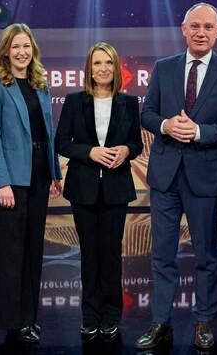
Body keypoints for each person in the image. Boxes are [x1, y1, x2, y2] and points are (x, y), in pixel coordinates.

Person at [135, 2, 217, 350]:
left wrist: (198, 131)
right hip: (165, 176)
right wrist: (166, 125)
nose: (200, 32)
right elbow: (147, 113)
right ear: (183, 29)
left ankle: (203, 321)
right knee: (162, 255)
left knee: (205, 255)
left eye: (207, 27)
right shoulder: (164, 67)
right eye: (194, 26)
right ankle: (160, 322)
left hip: (204, 177)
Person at [55, 42, 143, 343]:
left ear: (116, 69)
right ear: (88, 69)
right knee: (90, 255)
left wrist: (126, 150)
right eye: (97, 63)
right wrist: (89, 152)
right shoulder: (75, 100)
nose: (103, 68)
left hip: (116, 189)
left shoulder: (128, 103)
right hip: (83, 189)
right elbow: (61, 143)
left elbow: (137, 143)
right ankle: (89, 315)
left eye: (108, 63)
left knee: (111, 255)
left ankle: (111, 316)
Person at [0, 23, 62, 344]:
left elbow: (47, 132)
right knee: (12, 252)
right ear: (5, 51)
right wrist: (0, 182)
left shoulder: (41, 84)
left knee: (33, 249)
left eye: (26, 46)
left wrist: (55, 172)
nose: (22, 52)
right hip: (9, 180)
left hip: (39, 176)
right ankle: (13, 321)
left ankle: (30, 318)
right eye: (15, 46)